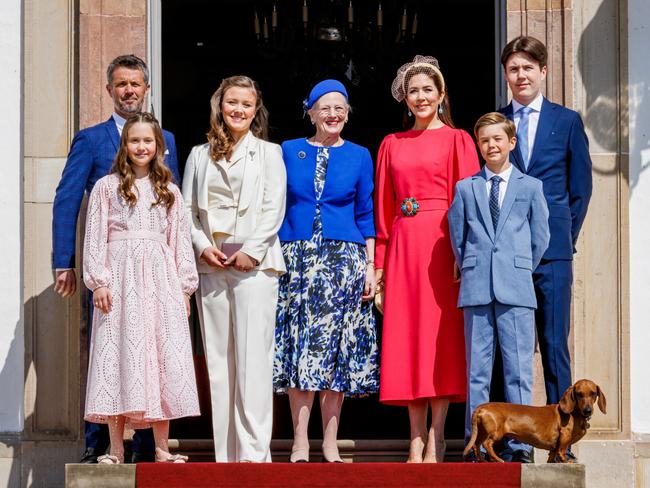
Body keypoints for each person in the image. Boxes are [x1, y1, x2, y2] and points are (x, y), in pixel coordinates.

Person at [52, 54, 180, 464]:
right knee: (109, 349)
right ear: (110, 89)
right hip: (111, 268)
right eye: (121, 84)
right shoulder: (90, 139)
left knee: (151, 349)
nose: (129, 90)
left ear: (146, 89)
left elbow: (170, 206)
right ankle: (101, 443)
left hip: (155, 272)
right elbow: (69, 199)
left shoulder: (168, 140)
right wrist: (66, 262)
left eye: (136, 83)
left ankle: (148, 445)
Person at [374, 55, 480, 463]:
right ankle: (414, 437)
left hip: (441, 246)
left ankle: (438, 436)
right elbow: (384, 209)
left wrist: (463, 251)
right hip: (403, 247)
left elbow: (468, 201)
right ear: (405, 97)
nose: (421, 97)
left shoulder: (458, 140)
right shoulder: (390, 144)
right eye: (414, 90)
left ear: (441, 95)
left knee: (440, 340)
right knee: (406, 338)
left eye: (428, 90)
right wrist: (380, 268)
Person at [82, 112, 199, 464]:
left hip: (160, 281)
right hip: (119, 278)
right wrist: (98, 280)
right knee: (118, 353)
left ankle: (162, 448)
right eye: (135, 140)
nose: (141, 146)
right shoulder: (107, 187)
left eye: (148, 140)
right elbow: (95, 237)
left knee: (161, 355)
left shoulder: (171, 192)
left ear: (158, 146)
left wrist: (184, 288)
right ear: (125, 146)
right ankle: (116, 448)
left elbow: (179, 241)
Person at [274, 80, 379, 463]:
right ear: (311, 112)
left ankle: (330, 442)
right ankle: (300, 440)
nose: (333, 115)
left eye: (341, 108)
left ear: (348, 114)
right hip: (297, 259)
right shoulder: (287, 151)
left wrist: (371, 267)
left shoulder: (360, 155)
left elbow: (366, 213)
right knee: (300, 348)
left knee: (333, 352)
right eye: (326, 108)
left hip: (343, 262)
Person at [182, 75, 286, 463]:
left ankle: (254, 457)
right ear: (219, 106)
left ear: (255, 109)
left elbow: (275, 207)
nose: (238, 110)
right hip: (212, 266)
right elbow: (187, 212)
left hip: (255, 268)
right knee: (220, 365)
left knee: (253, 362)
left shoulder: (269, 152)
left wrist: (253, 251)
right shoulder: (198, 154)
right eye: (232, 103)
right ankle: (225, 457)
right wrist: (203, 247)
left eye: (246, 104)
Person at [498, 37, 592, 459]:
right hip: (506, 252)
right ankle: (513, 441)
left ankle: (563, 445)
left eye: (527, 68)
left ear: (543, 72)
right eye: (513, 69)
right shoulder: (496, 121)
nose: (520, 76)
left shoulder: (567, 120)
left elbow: (581, 189)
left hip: (553, 252)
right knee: (511, 348)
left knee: (554, 343)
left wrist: (564, 238)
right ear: (506, 75)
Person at [448, 112, 550, 463]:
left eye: (497, 139)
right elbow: (457, 238)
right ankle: (475, 444)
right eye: (484, 140)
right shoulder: (465, 188)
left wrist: (518, 269)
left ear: (511, 143)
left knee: (518, 372)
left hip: (517, 289)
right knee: (477, 370)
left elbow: (540, 238)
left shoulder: (530, 187)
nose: (491, 145)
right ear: (478, 145)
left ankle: (520, 445)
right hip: (476, 288)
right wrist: (473, 266)